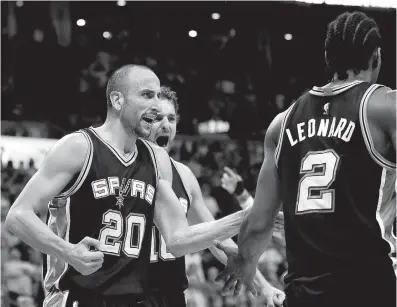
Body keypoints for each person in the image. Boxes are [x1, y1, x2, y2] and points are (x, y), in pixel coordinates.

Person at [5, 65, 266, 307]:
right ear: (118, 101)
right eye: (146, 95)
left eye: (156, 96)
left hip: (134, 299)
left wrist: (244, 218)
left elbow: (178, 239)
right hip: (78, 295)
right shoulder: (80, 147)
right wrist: (69, 252)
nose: (155, 105)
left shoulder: (156, 159)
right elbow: (18, 216)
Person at [215, 11, 396, 307]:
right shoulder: (386, 106)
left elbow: (259, 221)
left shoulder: (281, 123)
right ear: (377, 57)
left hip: (304, 295)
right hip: (370, 289)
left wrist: (246, 261)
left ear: (328, 57)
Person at [145, 86, 285, 307]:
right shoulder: (125, 169)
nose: (165, 124)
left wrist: (264, 285)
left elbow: (215, 236)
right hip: (124, 292)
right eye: (156, 117)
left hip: (167, 296)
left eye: (171, 118)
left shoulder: (185, 176)